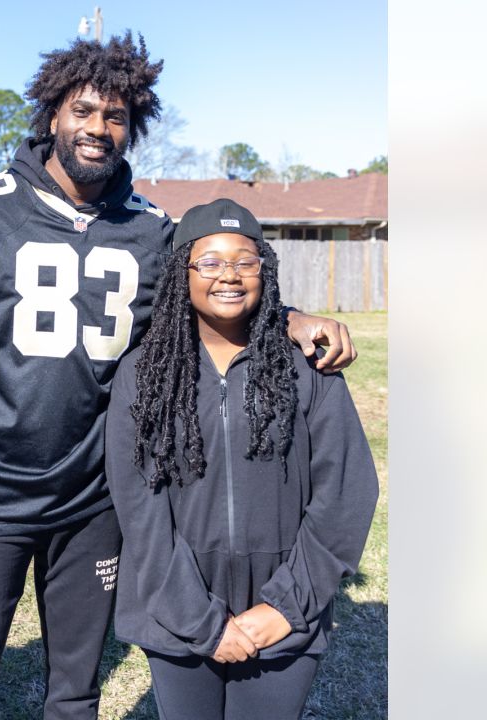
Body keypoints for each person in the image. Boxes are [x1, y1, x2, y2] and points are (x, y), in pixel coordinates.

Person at [0, 32, 358, 720]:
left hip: (93, 501)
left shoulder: (149, 229)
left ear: (130, 128)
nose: (97, 129)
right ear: (52, 115)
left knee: (76, 694)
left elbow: (217, 279)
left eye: (114, 117)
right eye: (83, 111)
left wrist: (288, 317)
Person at [105, 198, 378, 719]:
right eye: (209, 261)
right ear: (181, 273)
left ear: (265, 272)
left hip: (281, 610)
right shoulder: (144, 374)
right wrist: (201, 620)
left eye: (245, 261)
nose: (228, 275)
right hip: (177, 606)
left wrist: (285, 606)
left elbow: (347, 491)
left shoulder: (307, 370)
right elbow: (140, 512)